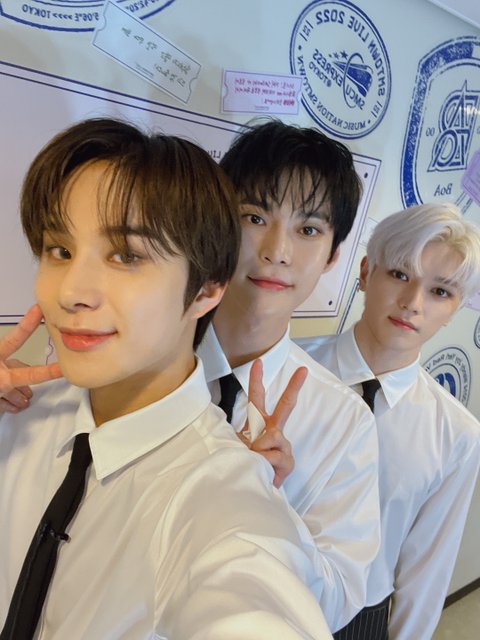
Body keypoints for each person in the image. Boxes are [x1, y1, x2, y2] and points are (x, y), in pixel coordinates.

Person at [0, 118, 334, 639]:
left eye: (126, 256)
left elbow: (251, 598)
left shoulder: (224, 506)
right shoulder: (19, 411)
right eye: (59, 251)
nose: (70, 292)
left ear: (206, 289)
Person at [195, 120, 380, 632]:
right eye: (255, 217)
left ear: (334, 255)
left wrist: (265, 504)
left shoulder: (345, 422)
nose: (277, 250)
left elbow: (339, 597)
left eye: (308, 230)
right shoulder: (142, 360)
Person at [298, 202, 480, 640]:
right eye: (399, 274)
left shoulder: (456, 434)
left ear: (455, 308)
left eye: (440, 292)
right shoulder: (287, 369)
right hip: (254, 596)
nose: (412, 304)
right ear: (366, 273)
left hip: (358, 620)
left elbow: (426, 571)